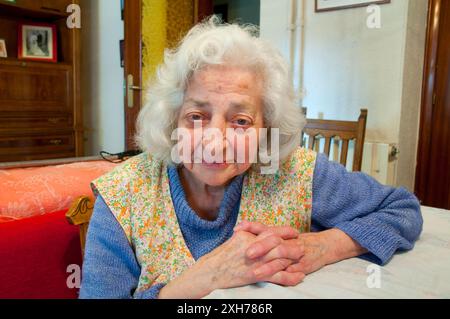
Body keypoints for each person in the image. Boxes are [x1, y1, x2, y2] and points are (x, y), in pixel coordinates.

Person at [79, 18, 423, 299]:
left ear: (266, 128)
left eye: (240, 121)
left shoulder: (296, 172)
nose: (216, 140)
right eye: (197, 116)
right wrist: (197, 281)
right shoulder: (123, 195)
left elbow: (402, 210)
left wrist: (324, 245)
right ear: (172, 121)